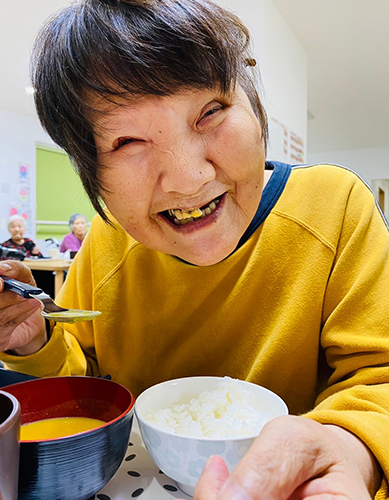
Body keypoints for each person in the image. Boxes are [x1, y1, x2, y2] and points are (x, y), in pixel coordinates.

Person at [0, 1, 388, 498]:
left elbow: (379, 377)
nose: (189, 178)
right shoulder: (108, 239)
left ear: (253, 106)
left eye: (210, 112)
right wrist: (36, 342)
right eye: (125, 142)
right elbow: (91, 383)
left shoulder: (335, 207)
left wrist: (349, 450)